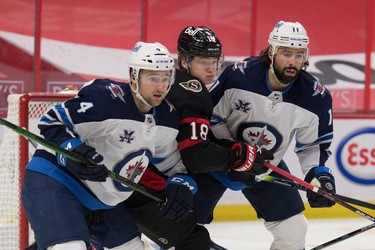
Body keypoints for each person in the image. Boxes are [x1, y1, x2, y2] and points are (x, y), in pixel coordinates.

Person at [21, 41, 210, 250]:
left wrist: (181, 186)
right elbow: (51, 122)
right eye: (153, 78)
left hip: (104, 202)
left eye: (166, 78)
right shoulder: (105, 99)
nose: (160, 86)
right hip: (57, 182)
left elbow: (174, 166)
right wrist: (73, 150)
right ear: (134, 77)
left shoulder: (167, 117)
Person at [207, 20, 336, 250]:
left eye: (299, 55)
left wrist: (317, 175)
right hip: (217, 162)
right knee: (181, 226)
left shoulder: (315, 97)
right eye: (286, 53)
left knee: (294, 229)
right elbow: (211, 117)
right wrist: (231, 152)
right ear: (271, 52)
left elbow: (312, 145)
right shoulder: (239, 76)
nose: (293, 62)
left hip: (264, 168)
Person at [165, 26, 274, 249]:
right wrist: (235, 156)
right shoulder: (193, 91)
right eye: (204, 61)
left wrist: (234, 150)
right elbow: (195, 154)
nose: (212, 68)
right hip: (163, 179)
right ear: (185, 60)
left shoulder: (170, 79)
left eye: (215, 60)